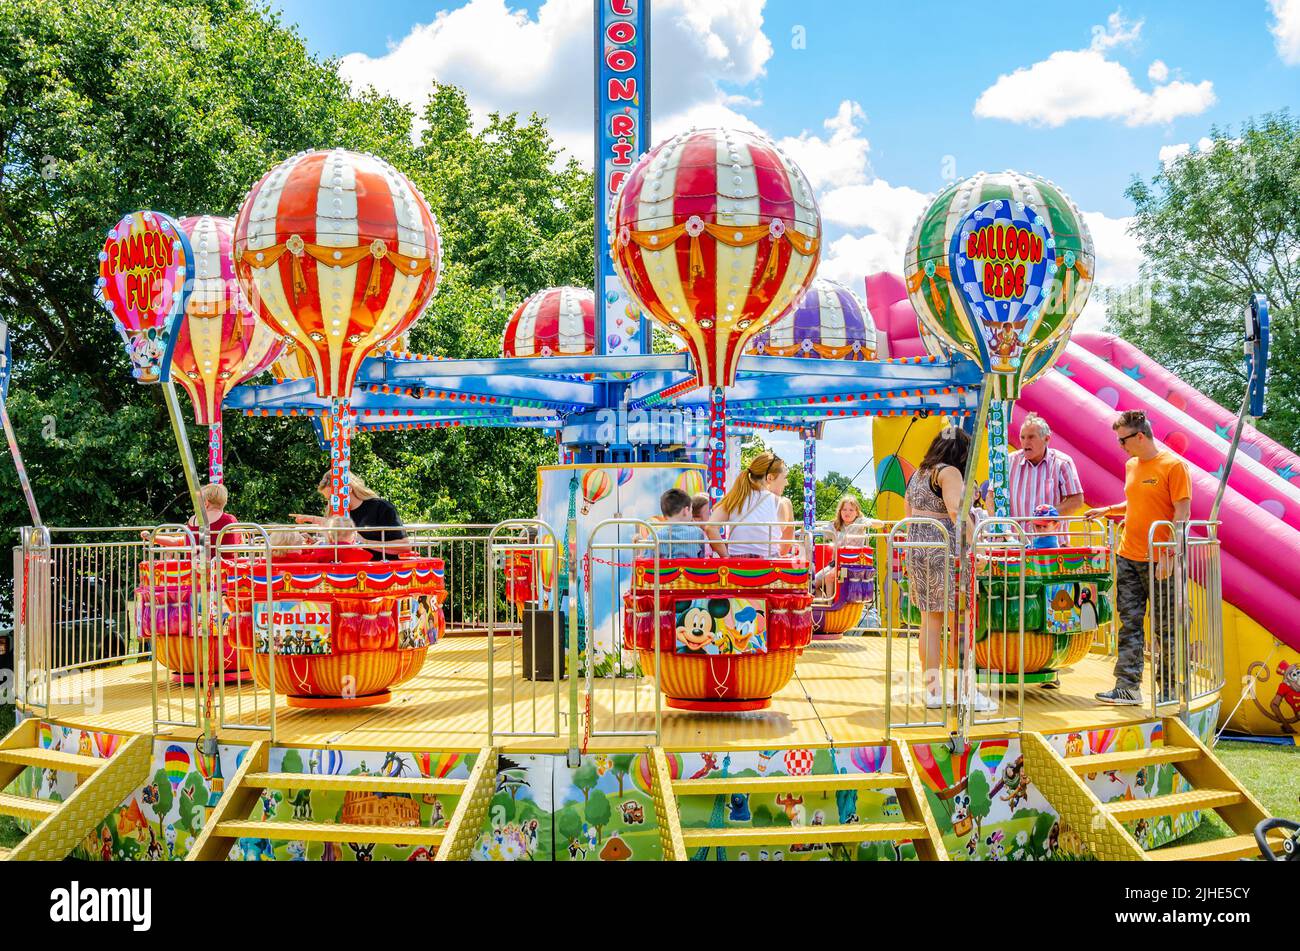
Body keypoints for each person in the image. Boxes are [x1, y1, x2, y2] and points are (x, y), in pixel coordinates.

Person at [1085, 409, 1192, 705]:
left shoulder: (1174, 466)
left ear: (1140, 436)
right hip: (1128, 555)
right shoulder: (1132, 465)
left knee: (1166, 626)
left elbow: (1182, 513)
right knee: (1129, 622)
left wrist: (1171, 554)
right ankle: (1127, 686)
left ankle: (1169, 690)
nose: (1121, 447)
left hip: (1159, 558)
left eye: (1123, 441)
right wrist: (1107, 511)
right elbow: (1136, 503)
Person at [903, 427, 993, 711]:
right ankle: (966, 691)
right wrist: (974, 546)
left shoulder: (920, 473)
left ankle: (932, 691)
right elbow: (957, 510)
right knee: (961, 623)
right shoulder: (949, 473)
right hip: (946, 552)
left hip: (919, 549)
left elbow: (908, 512)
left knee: (930, 623)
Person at [292, 473, 408, 560]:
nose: (332, 503)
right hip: (345, 575)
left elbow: (404, 547)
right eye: (329, 499)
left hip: (378, 573)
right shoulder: (338, 513)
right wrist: (317, 543)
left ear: (348, 489)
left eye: (334, 497)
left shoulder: (382, 508)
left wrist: (365, 542)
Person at [706, 452, 794, 558]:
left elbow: (710, 528)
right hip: (769, 566)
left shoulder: (735, 499)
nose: (787, 483)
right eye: (784, 477)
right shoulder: (782, 503)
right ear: (770, 478)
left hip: (737, 566)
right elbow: (784, 548)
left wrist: (726, 557)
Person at [998, 413, 1085, 520]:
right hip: (1015, 535)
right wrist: (1000, 524)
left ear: (1047, 439)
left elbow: (1077, 500)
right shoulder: (1008, 461)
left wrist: (1049, 515)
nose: (1025, 442)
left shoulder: (1062, 463)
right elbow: (992, 495)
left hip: (1049, 535)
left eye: (1031, 437)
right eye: (1022, 437)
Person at [145, 483, 242, 552]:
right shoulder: (229, 520)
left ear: (206, 503)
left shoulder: (194, 520)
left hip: (194, 573)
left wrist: (153, 537)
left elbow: (179, 542)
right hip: (225, 573)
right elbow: (238, 542)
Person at [655, 488, 708, 559]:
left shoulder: (654, 536)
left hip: (663, 570)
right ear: (686, 511)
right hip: (691, 569)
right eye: (691, 510)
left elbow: (646, 560)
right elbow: (701, 559)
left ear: (664, 515)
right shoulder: (698, 533)